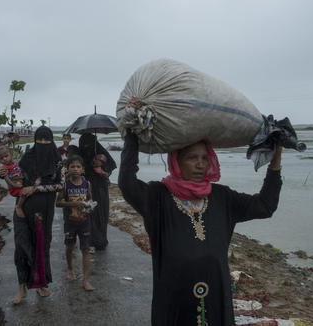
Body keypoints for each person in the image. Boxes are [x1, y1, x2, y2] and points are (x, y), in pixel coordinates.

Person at [118, 130, 283, 326]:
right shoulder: (157, 197)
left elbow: (265, 206)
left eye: (205, 158)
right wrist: (132, 136)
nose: (200, 164)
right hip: (174, 301)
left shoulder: (222, 197)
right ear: (176, 161)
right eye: (192, 158)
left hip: (216, 299)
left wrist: (276, 157)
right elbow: (127, 183)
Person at [12, 126, 64, 304]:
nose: (42, 143)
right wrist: (4, 176)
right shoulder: (27, 158)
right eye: (39, 140)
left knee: (41, 246)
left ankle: (41, 283)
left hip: (44, 211)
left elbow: (60, 185)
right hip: (22, 208)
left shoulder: (57, 161)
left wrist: (35, 188)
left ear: (51, 141)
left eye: (46, 140)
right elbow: (17, 181)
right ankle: (22, 288)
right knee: (21, 246)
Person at [56, 155, 95, 291]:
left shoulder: (87, 184)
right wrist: (74, 203)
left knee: (85, 250)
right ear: (68, 169)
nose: (75, 169)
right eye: (72, 166)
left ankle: (85, 280)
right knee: (70, 247)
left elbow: (90, 200)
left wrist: (88, 207)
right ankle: (70, 268)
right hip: (70, 223)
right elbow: (58, 203)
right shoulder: (65, 185)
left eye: (78, 167)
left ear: (83, 169)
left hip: (84, 222)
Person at [79, 133, 116, 252]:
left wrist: (103, 170)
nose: (87, 147)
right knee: (89, 213)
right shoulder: (80, 154)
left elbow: (111, 165)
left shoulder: (100, 151)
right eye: (84, 144)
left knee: (101, 214)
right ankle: (90, 242)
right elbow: (76, 168)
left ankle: (101, 240)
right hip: (86, 188)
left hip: (101, 188)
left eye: (90, 144)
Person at [0, 145, 26, 218]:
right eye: (1, 158)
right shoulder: (4, 168)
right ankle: (18, 206)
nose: (5, 159)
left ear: (11, 154)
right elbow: (8, 181)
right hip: (14, 188)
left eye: (6, 156)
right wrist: (15, 185)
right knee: (24, 193)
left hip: (19, 184)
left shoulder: (15, 163)